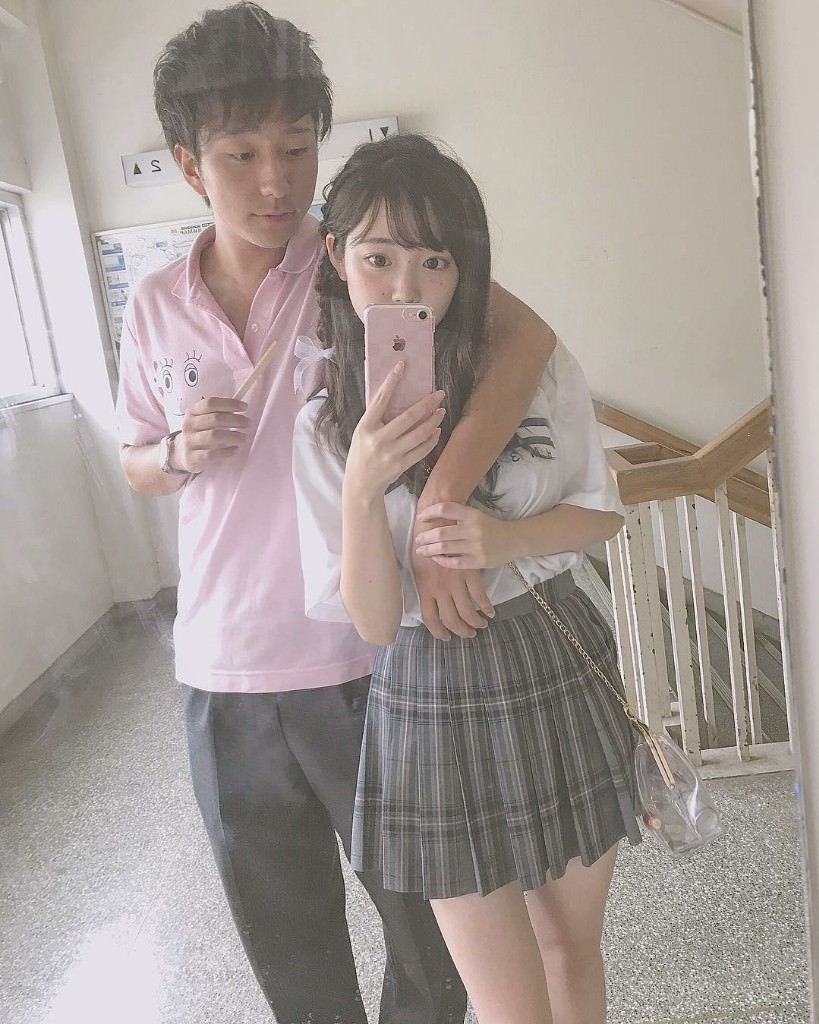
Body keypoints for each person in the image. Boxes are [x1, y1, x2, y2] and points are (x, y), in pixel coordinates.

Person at [115, 4, 556, 1022]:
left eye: (297, 148)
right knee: (291, 956)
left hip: (368, 657)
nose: (276, 181)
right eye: (241, 154)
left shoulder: (358, 261)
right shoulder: (153, 304)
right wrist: (176, 452)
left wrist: (443, 498)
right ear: (188, 165)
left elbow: (525, 342)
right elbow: (135, 461)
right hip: (222, 672)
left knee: (433, 948)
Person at [292, 133, 643, 1024]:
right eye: (378, 258)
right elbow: (375, 624)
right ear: (334, 256)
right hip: (428, 692)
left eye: (434, 262)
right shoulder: (322, 423)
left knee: (571, 952)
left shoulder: (534, 372)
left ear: (464, 269)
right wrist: (363, 489)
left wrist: (504, 538)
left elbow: (601, 514)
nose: (405, 289)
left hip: (550, 658)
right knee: (506, 1003)